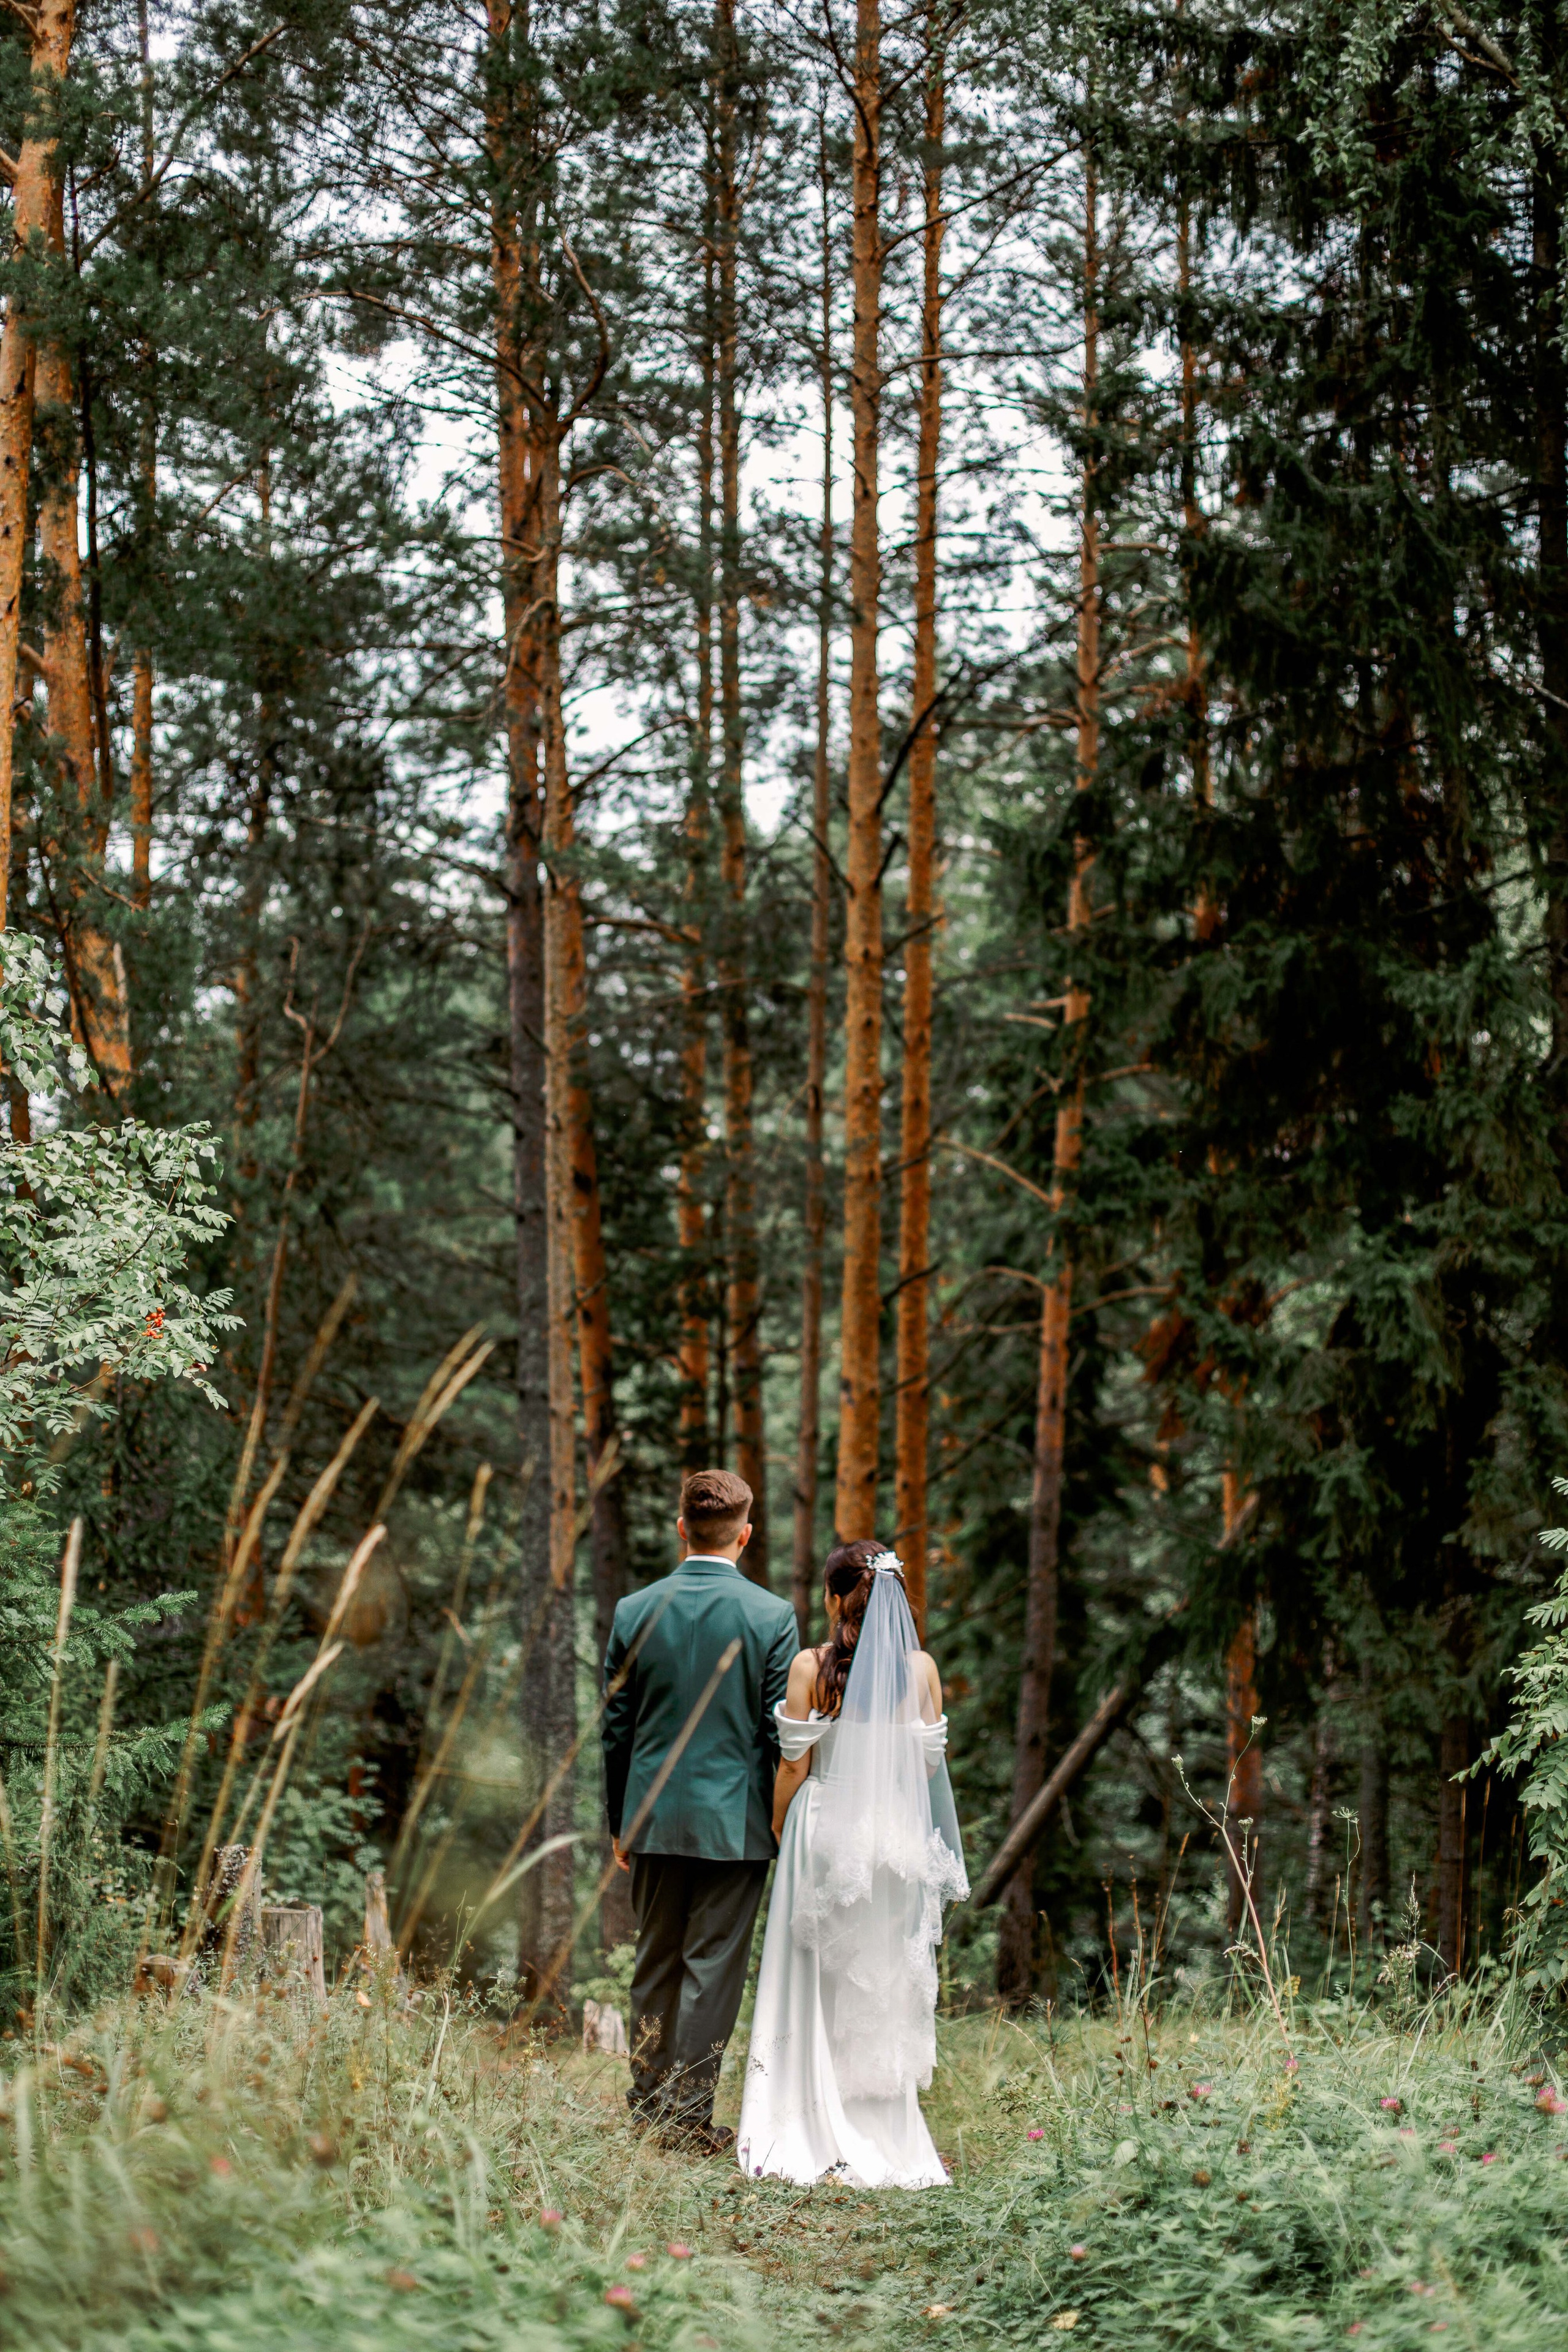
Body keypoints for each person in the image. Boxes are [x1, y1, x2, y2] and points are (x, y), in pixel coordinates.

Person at [736, 1540, 967, 2188]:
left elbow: (793, 1765)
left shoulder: (810, 1666)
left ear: (835, 1597)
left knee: (814, 1974)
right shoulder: (920, 1669)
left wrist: (780, 1824)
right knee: (879, 1975)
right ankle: (882, 2128)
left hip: (824, 1825)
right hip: (890, 1836)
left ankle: (803, 2118)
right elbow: (928, 1766)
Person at [600, 1467, 797, 2152]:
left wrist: (620, 1823)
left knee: (654, 1959)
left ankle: (647, 2107)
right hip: (736, 1824)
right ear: (746, 1535)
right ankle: (686, 2119)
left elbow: (616, 1729)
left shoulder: (634, 1610)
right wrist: (783, 1820)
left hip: (651, 1817)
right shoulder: (772, 1615)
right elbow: (779, 1731)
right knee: (712, 1969)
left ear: (682, 1528)